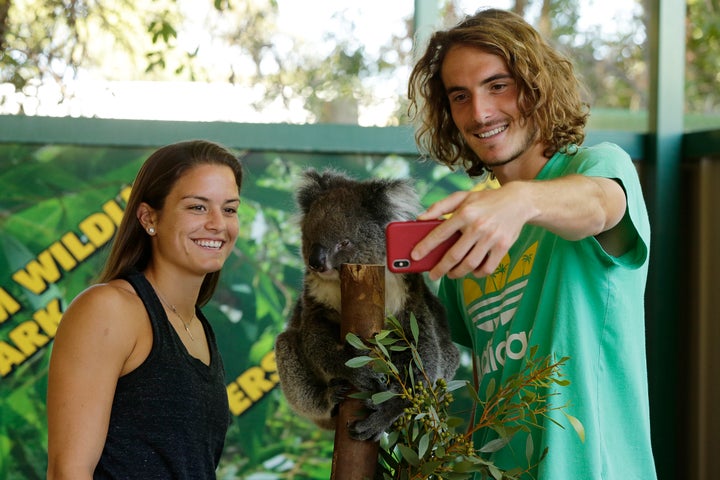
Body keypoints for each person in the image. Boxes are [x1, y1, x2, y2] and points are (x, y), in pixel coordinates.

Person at [407, 8, 657, 480]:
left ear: (536, 86)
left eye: (498, 85)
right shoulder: (476, 232)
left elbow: (601, 205)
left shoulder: (599, 168)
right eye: (460, 96)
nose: (479, 113)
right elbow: (489, 388)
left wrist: (518, 200)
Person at [46, 140, 243, 479]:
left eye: (229, 209)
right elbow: (69, 470)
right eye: (197, 207)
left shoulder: (196, 326)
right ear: (149, 217)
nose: (217, 223)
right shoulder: (110, 310)